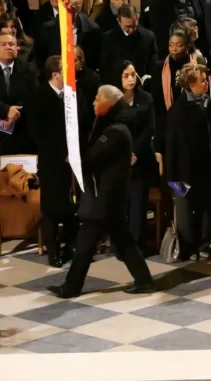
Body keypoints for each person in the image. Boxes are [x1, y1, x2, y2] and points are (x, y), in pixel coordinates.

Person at [48, 86, 154, 298]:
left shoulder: (115, 132)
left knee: (85, 244)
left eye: (98, 99)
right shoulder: (113, 127)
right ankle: (144, 280)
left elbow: (91, 159)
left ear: (109, 104)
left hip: (103, 197)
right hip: (107, 196)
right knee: (123, 241)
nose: (94, 103)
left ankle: (72, 287)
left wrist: (73, 160)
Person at [30, 55, 89, 267]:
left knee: (73, 206)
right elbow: (39, 133)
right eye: (66, 72)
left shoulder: (74, 94)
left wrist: (73, 150)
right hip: (51, 160)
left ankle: (69, 245)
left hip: (73, 159)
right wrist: (61, 152)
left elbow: (82, 120)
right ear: (55, 75)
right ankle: (52, 250)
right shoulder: (39, 96)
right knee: (52, 208)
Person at [164, 62, 211, 261]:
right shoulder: (178, 110)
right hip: (182, 172)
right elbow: (172, 146)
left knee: (205, 206)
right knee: (184, 211)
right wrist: (172, 179)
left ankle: (203, 244)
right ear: (191, 85)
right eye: (202, 81)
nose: (206, 84)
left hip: (204, 168)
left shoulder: (209, 104)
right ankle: (186, 248)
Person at [117, 60, 157, 250]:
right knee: (119, 203)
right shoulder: (111, 99)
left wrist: (135, 153)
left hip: (140, 158)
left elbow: (149, 128)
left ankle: (136, 245)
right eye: (126, 75)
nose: (131, 79)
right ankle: (119, 244)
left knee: (138, 204)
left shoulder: (146, 98)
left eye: (133, 74)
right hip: (117, 159)